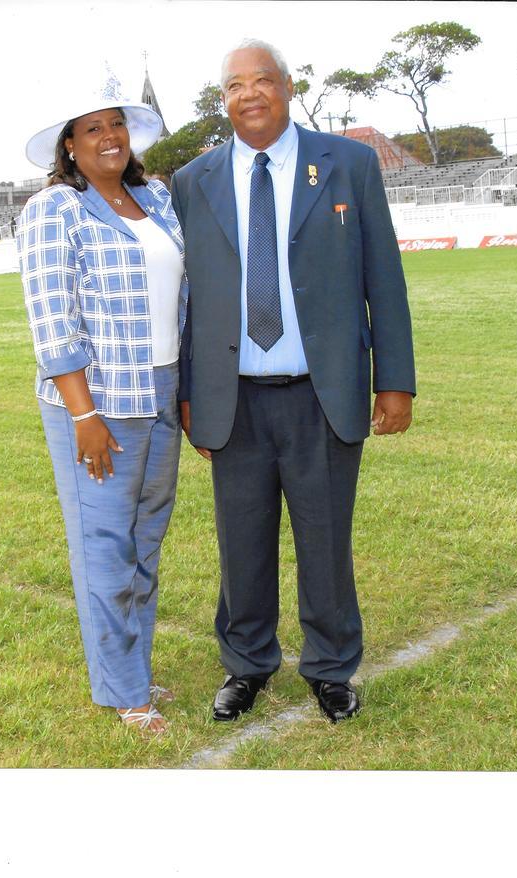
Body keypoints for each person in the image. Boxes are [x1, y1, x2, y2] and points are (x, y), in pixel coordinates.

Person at [171, 39, 415, 724]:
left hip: (322, 391)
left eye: (262, 81)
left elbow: (383, 279)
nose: (248, 94)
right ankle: (247, 665)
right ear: (224, 99)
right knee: (241, 543)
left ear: (288, 86)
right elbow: (191, 302)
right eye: (233, 86)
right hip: (234, 399)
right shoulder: (193, 181)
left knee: (325, 540)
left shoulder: (350, 165)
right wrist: (190, 392)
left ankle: (331, 668)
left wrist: (393, 379)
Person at [17, 74, 187, 734]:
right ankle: (124, 693)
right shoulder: (54, 209)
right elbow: (52, 321)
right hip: (99, 406)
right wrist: (84, 416)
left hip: (162, 394)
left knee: (145, 545)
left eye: (114, 123)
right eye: (91, 128)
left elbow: (183, 300)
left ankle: (132, 670)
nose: (108, 136)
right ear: (69, 144)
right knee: (106, 550)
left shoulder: (157, 198)